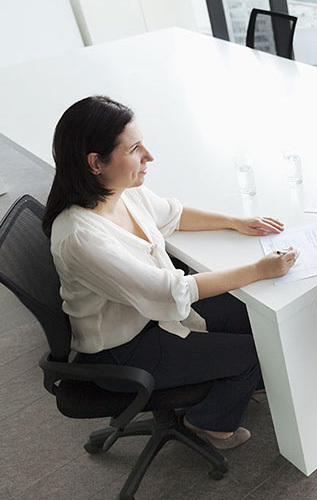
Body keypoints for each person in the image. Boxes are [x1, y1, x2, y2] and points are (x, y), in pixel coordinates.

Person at [43, 95, 298, 450]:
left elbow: (172, 214)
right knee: (259, 350)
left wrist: (236, 222)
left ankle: (234, 383)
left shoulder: (123, 192)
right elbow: (171, 293)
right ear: (95, 162)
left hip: (151, 315)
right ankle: (208, 423)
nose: (148, 156)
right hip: (123, 348)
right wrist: (258, 269)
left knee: (250, 311)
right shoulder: (82, 236)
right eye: (134, 149)